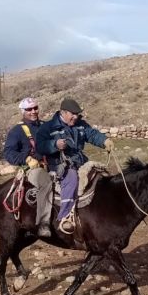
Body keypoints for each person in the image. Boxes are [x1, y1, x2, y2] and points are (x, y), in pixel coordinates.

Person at [36, 98, 113, 231]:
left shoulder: (80, 124)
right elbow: (40, 146)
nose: (75, 117)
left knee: (102, 176)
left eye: (77, 114)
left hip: (80, 160)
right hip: (59, 164)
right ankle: (65, 217)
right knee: (71, 178)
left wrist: (104, 141)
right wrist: (54, 145)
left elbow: (92, 134)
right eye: (73, 114)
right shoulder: (47, 128)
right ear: (63, 112)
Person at [3, 97, 52, 236]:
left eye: (35, 108)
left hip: (52, 165)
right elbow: (8, 153)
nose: (33, 111)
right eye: (29, 109)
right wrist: (26, 159)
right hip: (33, 169)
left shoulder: (46, 126)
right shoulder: (17, 131)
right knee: (45, 184)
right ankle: (44, 223)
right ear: (23, 111)